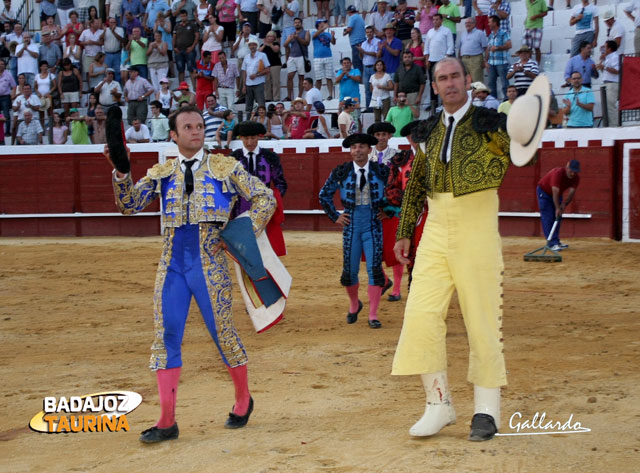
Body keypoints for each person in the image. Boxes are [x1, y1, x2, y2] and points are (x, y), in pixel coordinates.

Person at [107, 104, 276, 443]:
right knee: (165, 337)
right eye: (188, 127)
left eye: (200, 126)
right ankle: (167, 420)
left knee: (222, 334)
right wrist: (121, 172)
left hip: (209, 264)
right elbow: (129, 204)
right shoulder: (162, 172)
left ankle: (243, 399)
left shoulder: (225, 167)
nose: (196, 131)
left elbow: (265, 198)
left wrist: (240, 232)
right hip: (171, 266)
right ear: (174, 134)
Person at [391, 57, 512, 442]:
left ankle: (486, 410)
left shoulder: (491, 123)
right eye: (441, 79)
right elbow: (416, 185)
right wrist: (406, 229)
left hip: (477, 226)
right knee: (420, 315)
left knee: (482, 319)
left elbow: (522, 152)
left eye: (455, 76)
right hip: (437, 229)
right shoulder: (426, 131)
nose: (449, 84)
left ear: (467, 80)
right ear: (435, 86)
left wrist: (518, 125)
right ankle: (438, 403)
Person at [319, 133, 391, 329]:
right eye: (353, 147)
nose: (357, 150)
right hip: (351, 225)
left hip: (373, 224)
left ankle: (373, 314)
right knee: (349, 270)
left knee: (374, 269)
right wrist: (335, 216)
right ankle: (354, 304)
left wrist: (389, 211)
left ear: (369, 149)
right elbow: (323, 195)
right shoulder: (341, 171)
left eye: (361, 147)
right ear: (350, 151)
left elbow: (396, 193)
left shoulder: (381, 171)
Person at [230, 120, 288, 255]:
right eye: (246, 138)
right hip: (240, 210)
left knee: (266, 250)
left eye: (253, 138)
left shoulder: (270, 157)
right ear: (240, 138)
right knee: (243, 251)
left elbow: (281, 184)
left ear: (259, 137)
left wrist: (272, 201)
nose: (250, 142)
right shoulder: (232, 159)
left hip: (264, 211)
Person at [537, 160, 581, 251]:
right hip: (544, 192)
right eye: (571, 170)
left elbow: (571, 192)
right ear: (567, 167)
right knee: (548, 217)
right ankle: (552, 243)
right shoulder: (558, 173)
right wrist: (557, 207)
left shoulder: (576, 178)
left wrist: (565, 204)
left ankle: (556, 241)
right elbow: (555, 191)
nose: (573, 173)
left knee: (558, 217)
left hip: (557, 195)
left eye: (575, 171)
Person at [424, 14, 454, 108]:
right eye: (433, 20)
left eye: (437, 19)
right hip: (432, 60)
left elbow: (450, 46)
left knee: (443, 82)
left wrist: (446, 58)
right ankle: (434, 103)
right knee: (432, 83)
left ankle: (444, 102)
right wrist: (427, 59)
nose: (435, 21)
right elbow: (426, 47)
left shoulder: (446, 31)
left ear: (441, 20)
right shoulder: (430, 32)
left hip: (442, 61)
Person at [241, 37, 270, 115]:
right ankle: (248, 122)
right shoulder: (246, 57)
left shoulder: (262, 55)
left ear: (256, 46)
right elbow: (244, 72)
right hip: (248, 84)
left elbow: (267, 69)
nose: (252, 46)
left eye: (253, 45)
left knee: (261, 103)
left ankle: (263, 120)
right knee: (248, 105)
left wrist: (256, 75)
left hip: (259, 82)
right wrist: (244, 85)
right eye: (250, 45)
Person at [485, 15, 511, 100]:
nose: (488, 24)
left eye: (490, 22)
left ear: (495, 23)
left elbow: (509, 45)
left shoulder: (503, 33)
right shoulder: (490, 35)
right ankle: (493, 103)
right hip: (492, 63)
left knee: (504, 84)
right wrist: (486, 61)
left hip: (502, 63)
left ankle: (507, 101)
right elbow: (488, 49)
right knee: (491, 84)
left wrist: (497, 48)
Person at [284, 17, 309, 101]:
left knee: (301, 77)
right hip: (292, 56)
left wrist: (297, 38)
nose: (297, 24)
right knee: (289, 76)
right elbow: (285, 45)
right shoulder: (291, 34)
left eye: (298, 22)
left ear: (301, 24)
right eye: (295, 22)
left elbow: (307, 42)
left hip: (301, 56)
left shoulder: (306, 32)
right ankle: (289, 96)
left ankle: (299, 96)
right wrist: (290, 39)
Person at [173, 9, 200, 85]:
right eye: (181, 16)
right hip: (179, 50)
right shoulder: (177, 25)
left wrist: (192, 47)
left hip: (189, 50)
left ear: (187, 16)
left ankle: (194, 87)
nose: (183, 18)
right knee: (180, 70)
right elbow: (174, 37)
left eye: (184, 16)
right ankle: (181, 87)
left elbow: (197, 36)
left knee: (191, 69)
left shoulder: (192, 25)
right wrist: (174, 47)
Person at [596, 40, 620, 127]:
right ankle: (610, 125)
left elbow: (617, 71)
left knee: (610, 106)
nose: (604, 49)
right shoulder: (608, 57)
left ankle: (614, 126)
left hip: (612, 84)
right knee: (607, 107)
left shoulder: (615, 57)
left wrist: (604, 67)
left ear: (610, 48)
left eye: (605, 47)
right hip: (607, 83)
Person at [358, 25, 380, 111]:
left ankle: (376, 107)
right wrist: (360, 52)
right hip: (365, 68)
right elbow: (361, 56)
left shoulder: (378, 41)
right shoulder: (363, 43)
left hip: (374, 67)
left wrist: (364, 52)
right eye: (367, 32)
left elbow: (376, 54)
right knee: (367, 90)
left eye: (370, 32)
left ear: (373, 32)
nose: (369, 33)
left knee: (375, 89)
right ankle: (369, 108)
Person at [459, 17, 488, 84]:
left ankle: (478, 95)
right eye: (466, 23)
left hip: (476, 60)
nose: (467, 24)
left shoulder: (480, 33)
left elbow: (486, 48)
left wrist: (485, 61)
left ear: (474, 24)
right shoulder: (463, 34)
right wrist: (459, 60)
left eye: (469, 23)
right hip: (464, 60)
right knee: (467, 82)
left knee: (477, 82)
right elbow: (460, 48)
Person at [312, 19, 335, 100]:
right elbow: (314, 36)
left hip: (328, 56)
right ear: (318, 25)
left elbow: (333, 42)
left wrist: (333, 36)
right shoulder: (314, 33)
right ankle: (317, 96)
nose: (324, 24)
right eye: (322, 23)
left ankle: (330, 95)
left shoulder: (327, 34)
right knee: (318, 78)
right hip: (317, 58)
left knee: (329, 77)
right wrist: (322, 29)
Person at [523, 0, 548, 65]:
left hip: (537, 26)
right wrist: (526, 19)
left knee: (536, 47)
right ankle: (529, 64)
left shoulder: (541, 1)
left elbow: (545, 12)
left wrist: (536, 16)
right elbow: (528, 10)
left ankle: (537, 65)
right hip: (528, 26)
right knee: (528, 48)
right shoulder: (527, 1)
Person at [344, 5, 366, 73]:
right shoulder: (359, 17)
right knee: (362, 61)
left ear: (349, 12)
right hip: (363, 41)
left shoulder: (352, 17)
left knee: (356, 62)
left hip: (356, 42)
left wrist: (344, 32)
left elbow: (349, 29)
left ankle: (359, 78)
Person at [103, 17, 125, 83]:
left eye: (114, 22)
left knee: (117, 72)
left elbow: (121, 39)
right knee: (107, 71)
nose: (112, 24)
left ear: (116, 23)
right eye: (111, 22)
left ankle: (117, 87)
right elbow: (100, 39)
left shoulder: (120, 29)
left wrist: (113, 32)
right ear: (108, 23)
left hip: (117, 54)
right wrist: (103, 32)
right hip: (107, 54)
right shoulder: (105, 30)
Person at [147, 30, 169, 94]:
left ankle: (162, 97)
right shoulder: (151, 44)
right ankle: (157, 98)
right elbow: (147, 54)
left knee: (161, 83)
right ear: (154, 36)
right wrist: (151, 48)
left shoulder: (164, 43)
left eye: (159, 36)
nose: (157, 37)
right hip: (152, 65)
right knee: (155, 85)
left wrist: (157, 47)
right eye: (156, 36)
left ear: (161, 36)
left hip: (162, 64)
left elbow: (164, 53)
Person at [0, 59, 15, 137]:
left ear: (5, 65)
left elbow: (14, 86)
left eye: (2, 64)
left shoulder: (8, 74)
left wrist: (13, 95)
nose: (1, 65)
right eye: (0, 64)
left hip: (5, 97)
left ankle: (7, 132)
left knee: (6, 115)